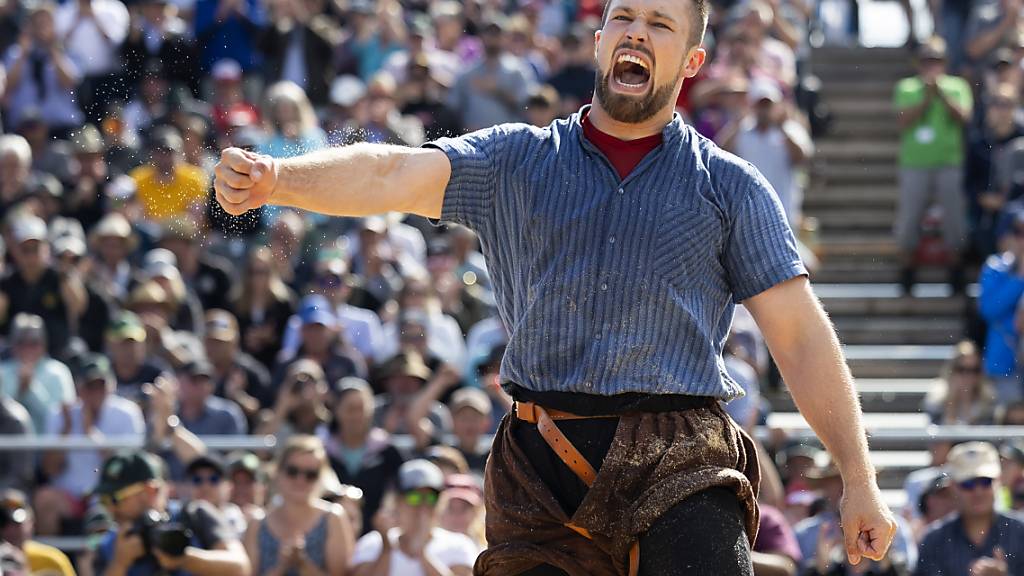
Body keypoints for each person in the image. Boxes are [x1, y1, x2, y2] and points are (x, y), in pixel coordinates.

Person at [213, 0, 898, 571]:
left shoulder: (729, 188)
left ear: (692, 62)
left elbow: (802, 340)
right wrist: (280, 179)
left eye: (661, 23)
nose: (636, 32)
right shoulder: (516, 159)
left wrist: (859, 480)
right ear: (599, 42)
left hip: (681, 457)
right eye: (624, 17)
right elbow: (392, 174)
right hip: (543, 460)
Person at [893, 37, 973, 294]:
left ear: (945, 63)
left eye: (936, 60)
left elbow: (964, 118)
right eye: (927, 60)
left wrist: (942, 95)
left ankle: (956, 271)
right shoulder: (907, 87)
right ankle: (907, 272)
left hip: (949, 162)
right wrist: (926, 99)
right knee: (909, 219)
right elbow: (903, 121)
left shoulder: (957, 86)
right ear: (919, 63)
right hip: (915, 163)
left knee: (954, 220)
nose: (932, 66)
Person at [91, 450, 253, 576]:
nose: (110, 509)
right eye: (104, 500)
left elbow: (241, 567)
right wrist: (119, 564)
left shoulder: (194, 514)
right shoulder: (108, 545)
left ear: (150, 491)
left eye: (115, 499)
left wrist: (183, 558)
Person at [34, 354, 145, 536]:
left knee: (129, 500)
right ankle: (52, 559)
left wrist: (90, 434)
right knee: (45, 499)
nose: (95, 392)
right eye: (90, 386)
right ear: (79, 388)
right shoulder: (60, 414)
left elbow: (127, 469)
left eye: (101, 385)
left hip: (112, 496)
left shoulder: (128, 413)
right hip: (71, 497)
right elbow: (50, 469)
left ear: (112, 385)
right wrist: (66, 431)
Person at [243, 435, 355, 576]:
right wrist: (282, 566)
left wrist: (303, 563)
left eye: (311, 474)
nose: (300, 480)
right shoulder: (257, 524)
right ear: (278, 471)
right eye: (292, 471)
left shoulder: (334, 518)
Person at [350, 459, 478, 576]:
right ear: (397, 501)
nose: (423, 507)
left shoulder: (459, 544)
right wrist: (386, 549)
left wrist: (422, 554)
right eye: (414, 498)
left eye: (431, 498)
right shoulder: (372, 543)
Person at [914, 442, 1024, 575]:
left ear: (999, 481)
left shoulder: (1021, 532)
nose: (978, 491)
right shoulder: (934, 540)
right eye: (968, 483)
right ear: (953, 487)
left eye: (985, 481)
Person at [326, 378, 404, 535]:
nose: (356, 416)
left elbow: (396, 491)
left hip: (376, 536)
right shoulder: (322, 451)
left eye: (361, 409)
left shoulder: (387, 451)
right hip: (330, 533)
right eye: (350, 409)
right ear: (336, 410)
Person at [0, 314, 74, 437]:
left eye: (34, 343)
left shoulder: (59, 372)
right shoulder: (2, 371)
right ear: (13, 344)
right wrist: (20, 391)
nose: (27, 348)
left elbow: (61, 420)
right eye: (21, 343)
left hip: (49, 450)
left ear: (44, 343)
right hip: (8, 450)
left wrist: (31, 389)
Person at [0, 491, 75, 576]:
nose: (10, 530)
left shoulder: (51, 560)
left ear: (31, 522)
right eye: (3, 523)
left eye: (17, 524)